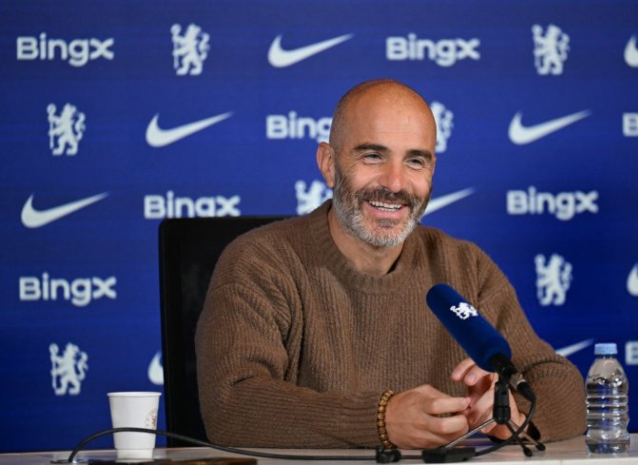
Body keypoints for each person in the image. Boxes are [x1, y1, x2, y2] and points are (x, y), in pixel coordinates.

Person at [195, 79, 585, 449]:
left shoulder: (465, 266)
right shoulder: (261, 262)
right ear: (328, 164)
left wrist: (513, 417)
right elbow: (231, 405)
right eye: (372, 156)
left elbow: (561, 386)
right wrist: (381, 420)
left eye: (415, 161)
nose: (395, 183)